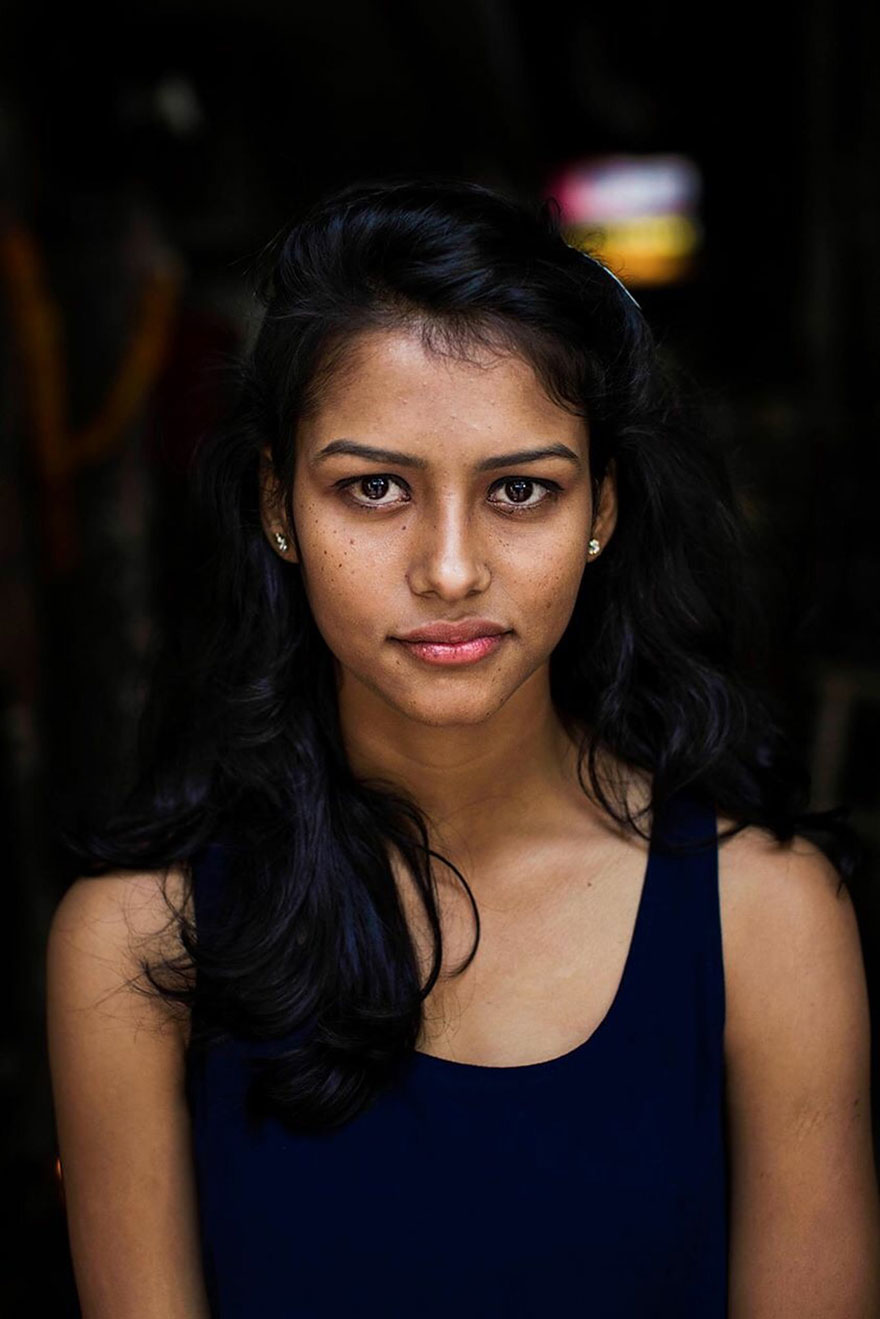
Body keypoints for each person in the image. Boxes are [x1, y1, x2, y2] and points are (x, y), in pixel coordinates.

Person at [46, 177, 880, 1317]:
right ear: (279, 505)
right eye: (375, 487)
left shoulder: (767, 918)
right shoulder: (140, 944)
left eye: (522, 489)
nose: (449, 568)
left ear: (603, 510)